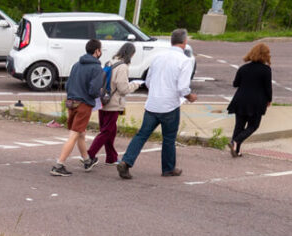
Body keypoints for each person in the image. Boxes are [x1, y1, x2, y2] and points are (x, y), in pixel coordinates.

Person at [117, 29, 197, 180]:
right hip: (170, 105)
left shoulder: (158, 57)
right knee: (168, 138)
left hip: (153, 103)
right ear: (185, 42)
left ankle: (126, 161)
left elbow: (148, 81)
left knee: (142, 135)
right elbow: (182, 87)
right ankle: (168, 168)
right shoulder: (185, 61)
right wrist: (190, 96)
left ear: (171, 41)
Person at [50, 39, 105, 177]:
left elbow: (68, 85)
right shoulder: (97, 68)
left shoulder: (76, 65)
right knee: (74, 134)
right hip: (84, 104)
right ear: (97, 51)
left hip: (71, 102)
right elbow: (93, 90)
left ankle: (87, 161)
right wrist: (101, 93)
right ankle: (59, 164)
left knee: (81, 132)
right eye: (100, 49)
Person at [87, 42, 142, 166]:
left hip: (103, 100)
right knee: (107, 131)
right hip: (113, 103)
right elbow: (123, 89)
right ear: (131, 54)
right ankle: (89, 154)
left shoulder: (109, 62)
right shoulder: (123, 67)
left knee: (110, 130)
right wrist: (136, 85)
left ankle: (111, 157)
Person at [227, 43, 272, 157]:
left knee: (239, 125)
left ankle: (236, 150)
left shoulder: (243, 68)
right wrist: (269, 99)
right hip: (257, 101)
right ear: (265, 55)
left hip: (240, 99)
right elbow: (268, 88)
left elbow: (235, 83)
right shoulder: (266, 70)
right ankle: (235, 142)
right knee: (253, 125)